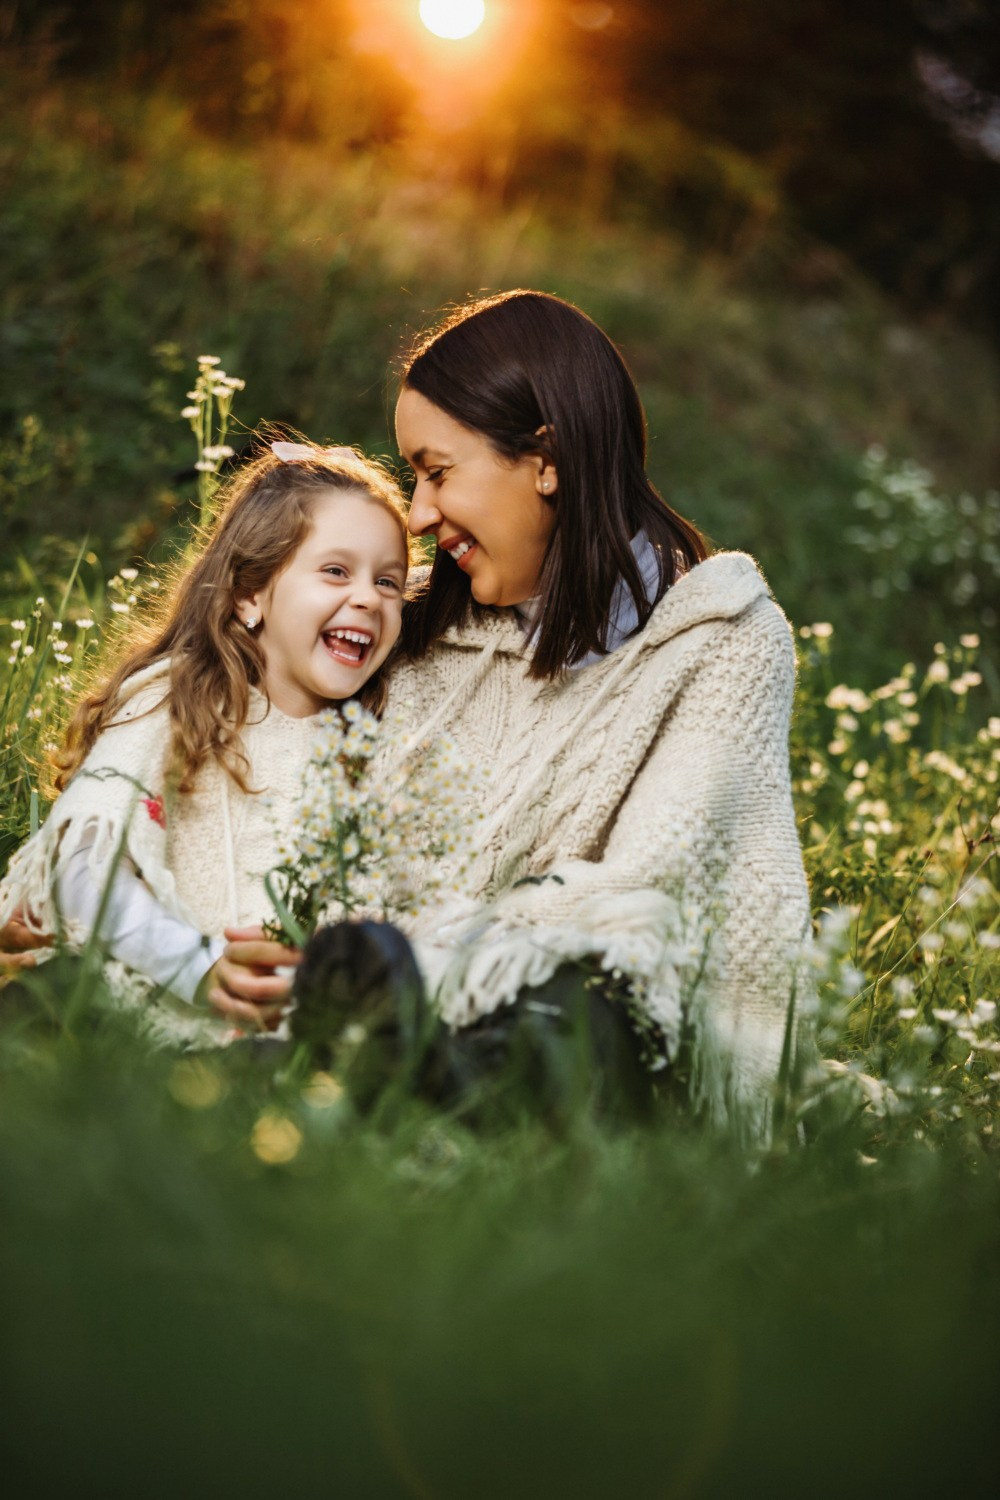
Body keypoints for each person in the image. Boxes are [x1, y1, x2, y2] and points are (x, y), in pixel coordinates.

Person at [218, 290, 813, 1136]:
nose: (418, 515)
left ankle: (406, 1066)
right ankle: (374, 1067)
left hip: (582, 1021)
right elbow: (227, 732)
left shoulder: (719, 641)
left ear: (548, 460)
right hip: (385, 992)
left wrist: (431, 964)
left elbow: (653, 895)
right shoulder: (417, 626)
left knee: (593, 999)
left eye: (437, 471)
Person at [0, 441, 411, 1038]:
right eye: (335, 571)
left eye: (390, 582)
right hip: (140, 991)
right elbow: (84, 864)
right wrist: (198, 966)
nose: (368, 597)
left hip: (276, 1028)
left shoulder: (371, 742)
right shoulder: (176, 699)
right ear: (249, 593)